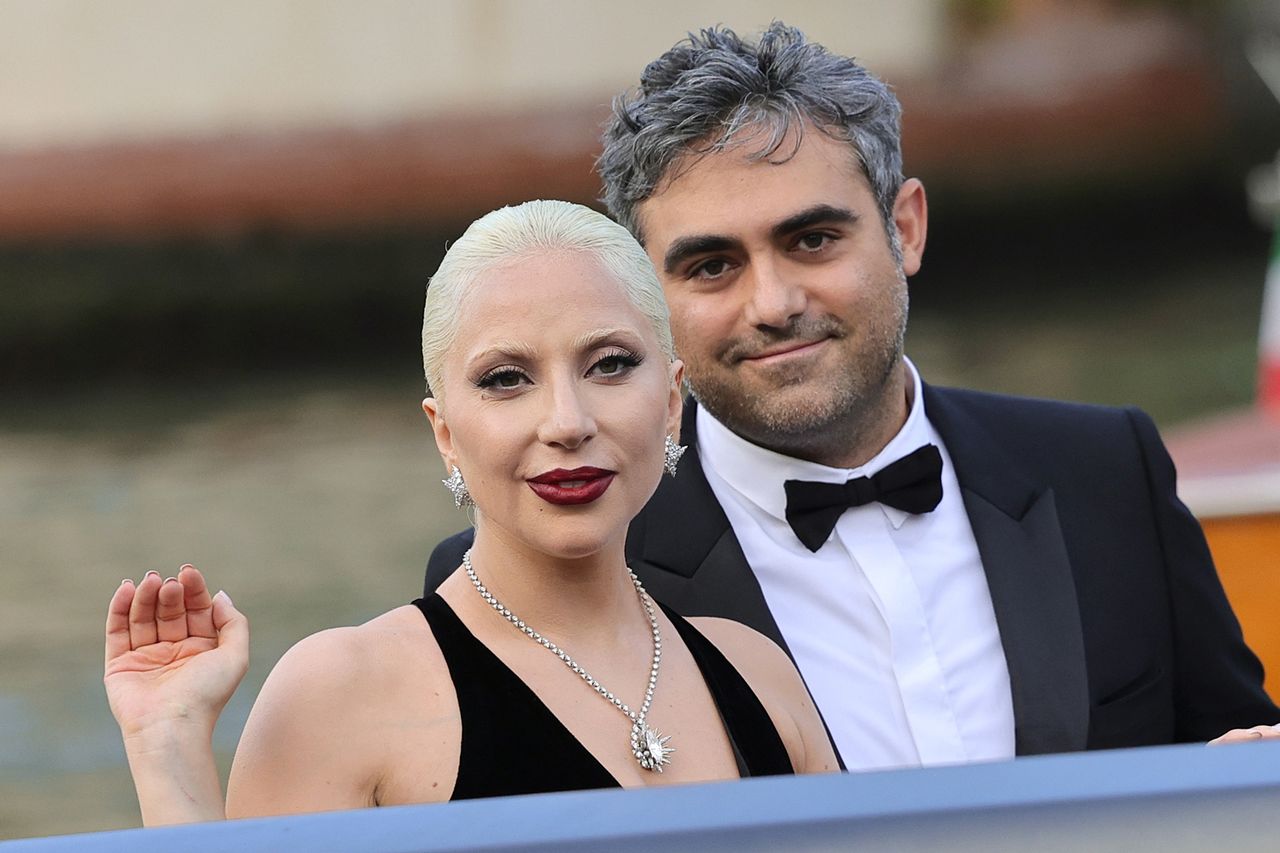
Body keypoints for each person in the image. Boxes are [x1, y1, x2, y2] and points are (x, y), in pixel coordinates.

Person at [427, 23, 1280, 770]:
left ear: (903, 228)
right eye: (712, 264)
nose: (773, 303)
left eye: (813, 239)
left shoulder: (1106, 470)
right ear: (647, 295)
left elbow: (1241, 757)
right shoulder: (537, 564)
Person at [104, 200, 837, 826]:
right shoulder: (340, 694)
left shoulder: (758, 673)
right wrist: (167, 746)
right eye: (507, 378)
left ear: (673, 402)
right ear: (445, 433)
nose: (566, 421)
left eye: (609, 363)